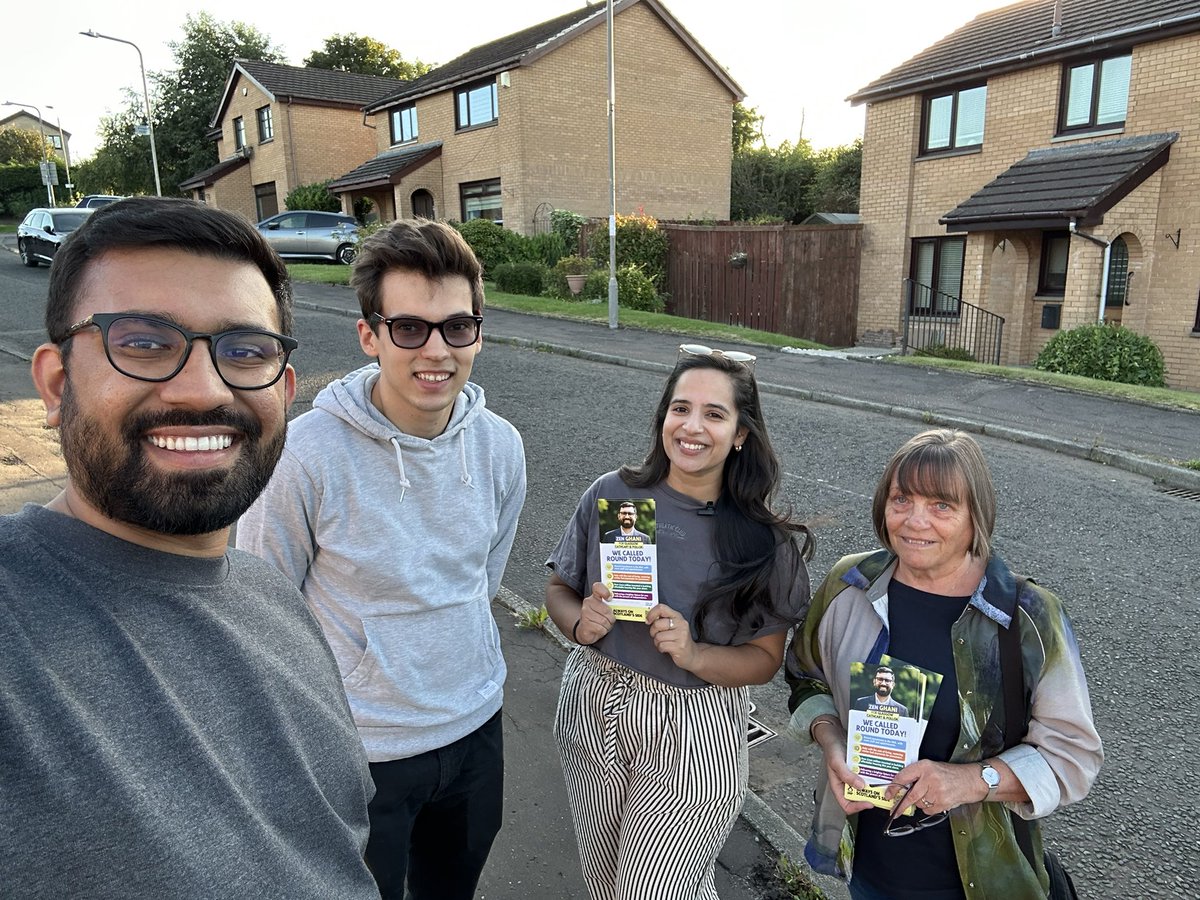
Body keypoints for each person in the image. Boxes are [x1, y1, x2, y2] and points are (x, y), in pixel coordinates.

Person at [2, 197, 379, 898]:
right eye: (144, 343)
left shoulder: (273, 596)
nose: (203, 389)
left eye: (245, 350)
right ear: (56, 384)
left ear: (284, 390)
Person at [237, 219, 526, 900]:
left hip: (475, 729)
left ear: (478, 334)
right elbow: (262, 609)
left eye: (457, 327)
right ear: (369, 335)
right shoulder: (305, 455)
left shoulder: (501, 446)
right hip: (360, 751)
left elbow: (483, 577)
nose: (437, 350)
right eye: (410, 328)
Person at [785, 429, 1102, 900]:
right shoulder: (850, 586)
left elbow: (1073, 756)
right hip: (870, 870)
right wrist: (832, 741)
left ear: (977, 516)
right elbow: (806, 677)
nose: (915, 521)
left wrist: (970, 781)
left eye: (941, 505)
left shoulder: (1027, 615)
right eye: (901, 499)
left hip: (983, 883)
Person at [545, 346, 813, 900]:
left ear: (740, 433)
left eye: (714, 414)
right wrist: (580, 624)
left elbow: (764, 661)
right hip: (593, 700)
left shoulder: (764, 542)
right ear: (663, 415)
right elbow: (558, 590)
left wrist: (695, 654)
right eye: (680, 408)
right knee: (606, 882)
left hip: (692, 725)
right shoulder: (613, 493)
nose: (692, 427)